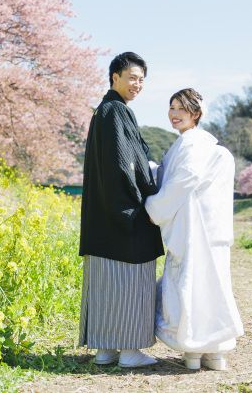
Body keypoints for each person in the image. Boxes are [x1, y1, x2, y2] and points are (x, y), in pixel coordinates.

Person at [145, 88, 244, 371]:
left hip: (195, 230)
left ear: (196, 114)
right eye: (172, 107)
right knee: (213, 287)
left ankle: (193, 351)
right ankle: (214, 353)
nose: (174, 113)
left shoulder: (191, 144)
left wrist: (155, 208)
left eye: (181, 109)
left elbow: (183, 179)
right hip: (210, 230)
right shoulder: (203, 145)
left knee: (190, 287)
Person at [78, 52, 164, 368]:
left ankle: (105, 350)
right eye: (132, 77)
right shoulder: (117, 111)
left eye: (141, 79)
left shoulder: (103, 111)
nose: (137, 84)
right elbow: (127, 164)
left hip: (101, 216)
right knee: (130, 280)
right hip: (123, 215)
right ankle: (129, 351)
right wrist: (146, 199)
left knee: (104, 282)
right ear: (115, 76)